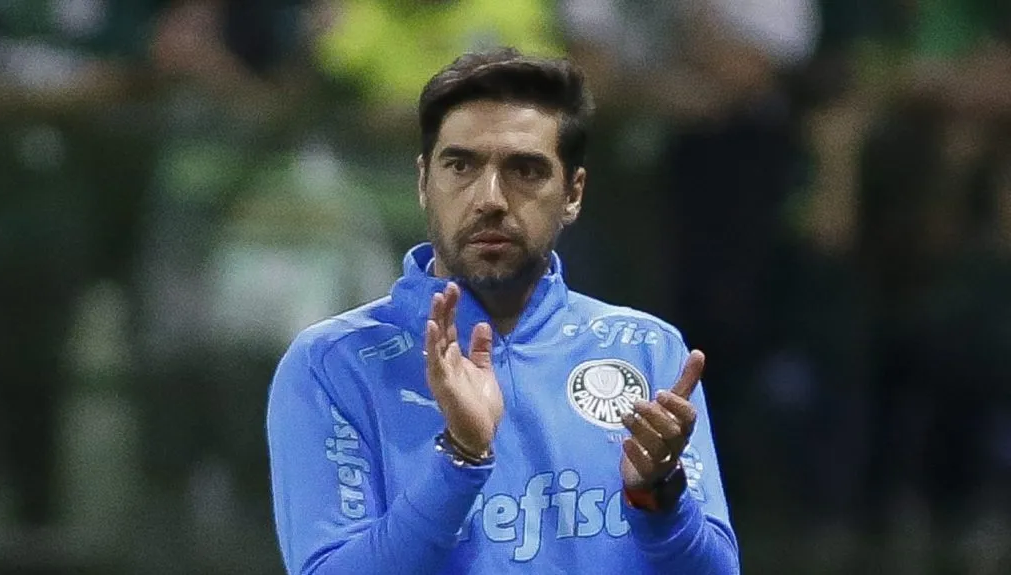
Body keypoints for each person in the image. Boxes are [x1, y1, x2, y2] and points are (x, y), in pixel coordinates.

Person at [266, 48, 739, 574]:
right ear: (425, 181)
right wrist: (461, 459)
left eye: (525, 170)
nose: (490, 197)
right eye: (461, 165)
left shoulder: (646, 348)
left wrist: (658, 497)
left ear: (573, 193)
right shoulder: (334, 364)